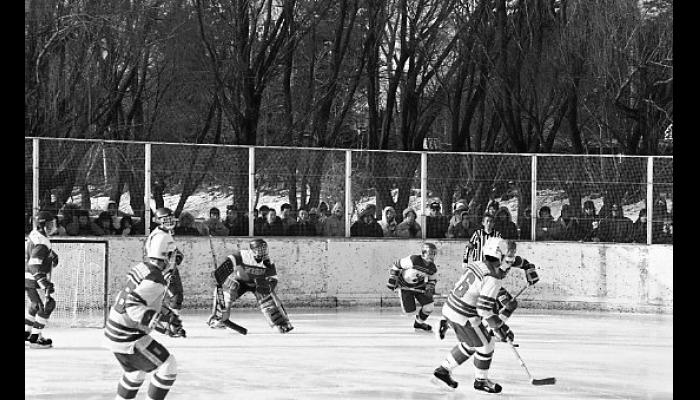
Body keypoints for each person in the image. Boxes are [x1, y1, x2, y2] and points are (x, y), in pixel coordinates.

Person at [104, 228, 185, 400]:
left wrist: (166, 315)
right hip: (128, 336)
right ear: (166, 254)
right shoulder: (155, 280)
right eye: (172, 254)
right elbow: (133, 305)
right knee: (167, 367)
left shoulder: (143, 268)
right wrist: (162, 321)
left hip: (114, 331)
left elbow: (147, 299)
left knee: (135, 373)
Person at [431, 238, 519, 392]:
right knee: (486, 345)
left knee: (472, 343)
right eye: (508, 257)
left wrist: (528, 266)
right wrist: (500, 327)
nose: (509, 262)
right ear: (500, 256)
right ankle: (481, 381)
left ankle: (443, 370)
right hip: (464, 315)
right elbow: (483, 309)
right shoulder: (492, 277)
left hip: (450, 308)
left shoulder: (478, 263)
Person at [208, 239, 293, 333]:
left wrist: (268, 287)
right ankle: (219, 319)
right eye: (259, 249)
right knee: (226, 295)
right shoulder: (244, 255)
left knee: (267, 299)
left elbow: (273, 279)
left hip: (258, 284)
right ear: (252, 250)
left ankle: (280, 323)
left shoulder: (269, 263)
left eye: (264, 249)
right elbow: (231, 260)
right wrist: (220, 272)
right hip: (240, 281)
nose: (262, 252)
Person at [25, 211, 60, 348]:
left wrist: (52, 255)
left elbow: (36, 253)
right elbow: (33, 264)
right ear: (43, 225)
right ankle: (35, 338)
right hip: (33, 279)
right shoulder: (42, 242)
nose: (53, 227)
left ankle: (27, 333)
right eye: (50, 224)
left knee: (35, 305)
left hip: (28, 278)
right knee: (47, 305)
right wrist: (44, 283)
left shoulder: (35, 234)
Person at [386, 243, 438, 332]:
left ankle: (419, 323)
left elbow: (432, 280)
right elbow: (396, 265)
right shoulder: (413, 260)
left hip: (420, 286)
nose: (432, 256)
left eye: (434, 253)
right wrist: (392, 280)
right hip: (405, 286)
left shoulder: (432, 268)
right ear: (423, 253)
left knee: (429, 307)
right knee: (409, 312)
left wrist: (430, 287)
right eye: (430, 253)